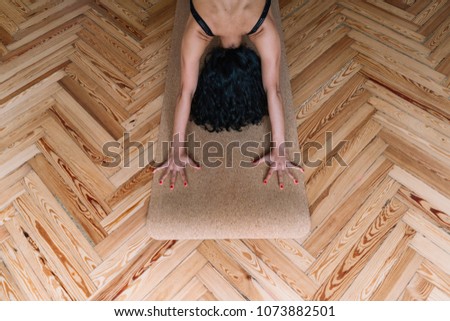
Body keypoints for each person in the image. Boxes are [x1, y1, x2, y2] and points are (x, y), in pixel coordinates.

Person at [154, 0, 303, 190]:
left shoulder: (262, 27)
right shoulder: (199, 30)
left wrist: (279, 150)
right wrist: (177, 150)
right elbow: (185, 92)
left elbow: (273, 90)